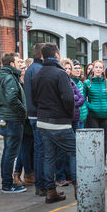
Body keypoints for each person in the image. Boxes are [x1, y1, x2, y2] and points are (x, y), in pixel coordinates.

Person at [31, 43, 76, 203]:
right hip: (60, 121)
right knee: (73, 152)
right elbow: (68, 98)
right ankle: (79, 187)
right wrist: (69, 115)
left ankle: (50, 191)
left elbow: (34, 99)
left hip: (43, 121)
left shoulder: (37, 74)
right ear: (56, 55)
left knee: (48, 156)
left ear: (42, 56)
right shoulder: (60, 74)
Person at [0, 52, 27, 193]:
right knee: (10, 153)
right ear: (11, 64)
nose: (20, 64)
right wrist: (23, 112)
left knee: (7, 152)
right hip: (12, 119)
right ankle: (7, 185)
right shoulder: (9, 77)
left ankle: (6, 183)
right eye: (18, 61)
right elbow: (12, 99)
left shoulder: (4, 76)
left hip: (6, 118)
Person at [55, 58, 84, 187]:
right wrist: (72, 101)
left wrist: (71, 102)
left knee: (72, 149)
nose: (67, 70)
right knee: (62, 150)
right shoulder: (60, 82)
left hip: (74, 118)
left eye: (69, 68)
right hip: (64, 119)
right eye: (65, 68)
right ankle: (60, 176)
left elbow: (81, 98)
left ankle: (70, 175)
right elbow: (62, 100)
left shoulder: (72, 82)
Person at [83, 60, 107, 174]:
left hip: (106, 116)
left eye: (100, 67)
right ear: (93, 69)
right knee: (94, 141)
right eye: (96, 67)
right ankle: (93, 165)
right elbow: (83, 98)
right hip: (92, 116)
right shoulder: (87, 83)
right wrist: (91, 106)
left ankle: (102, 165)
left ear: (103, 70)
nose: (97, 69)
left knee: (104, 141)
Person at [24, 43, 46, 196]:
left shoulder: (31, 69)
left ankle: (41, 184)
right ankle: (42, 184)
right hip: (39, 114)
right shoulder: (38, 69)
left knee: (39, 149)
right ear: (43, 55)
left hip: (32, 113)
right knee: (42, 150)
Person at [13, 61, 34, 187]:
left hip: (28, 118)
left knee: (27, 147)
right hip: (24, 119)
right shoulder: (19, 84)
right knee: (25, 147)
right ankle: (27, 174)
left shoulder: (26, 83)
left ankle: (20, 173)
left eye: (25, 67)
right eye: (22, 68)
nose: (24, 70)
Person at [71, 60, 87, 129]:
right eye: (75, 68)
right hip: (75, 117)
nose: (78, 70)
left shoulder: (81, 83)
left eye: (79, 68)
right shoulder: (69, 82)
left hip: (83, 117)